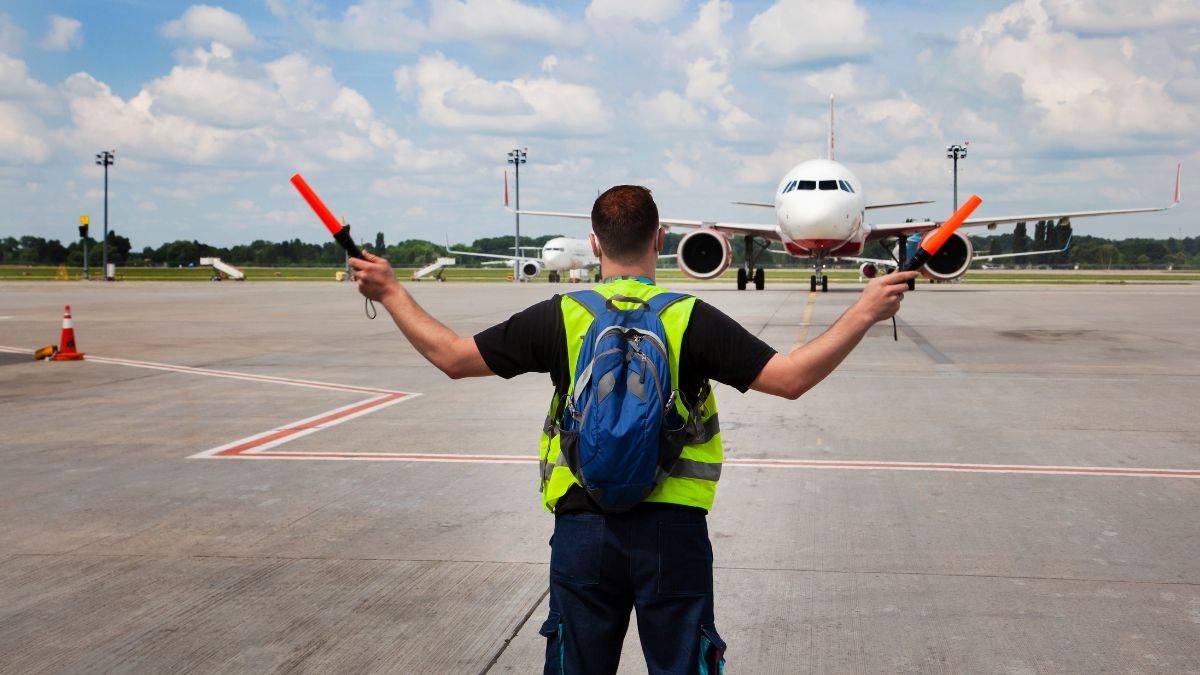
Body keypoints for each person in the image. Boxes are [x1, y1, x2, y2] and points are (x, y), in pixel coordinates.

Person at [350, 185, 917, 674]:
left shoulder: (562, 314)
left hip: (582, 533)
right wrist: (864, 310)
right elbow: (792, 379)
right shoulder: (688, 316)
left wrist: (393, 290)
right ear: (661, 238)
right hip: (674, 534)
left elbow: (452, 357)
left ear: (594, 243)